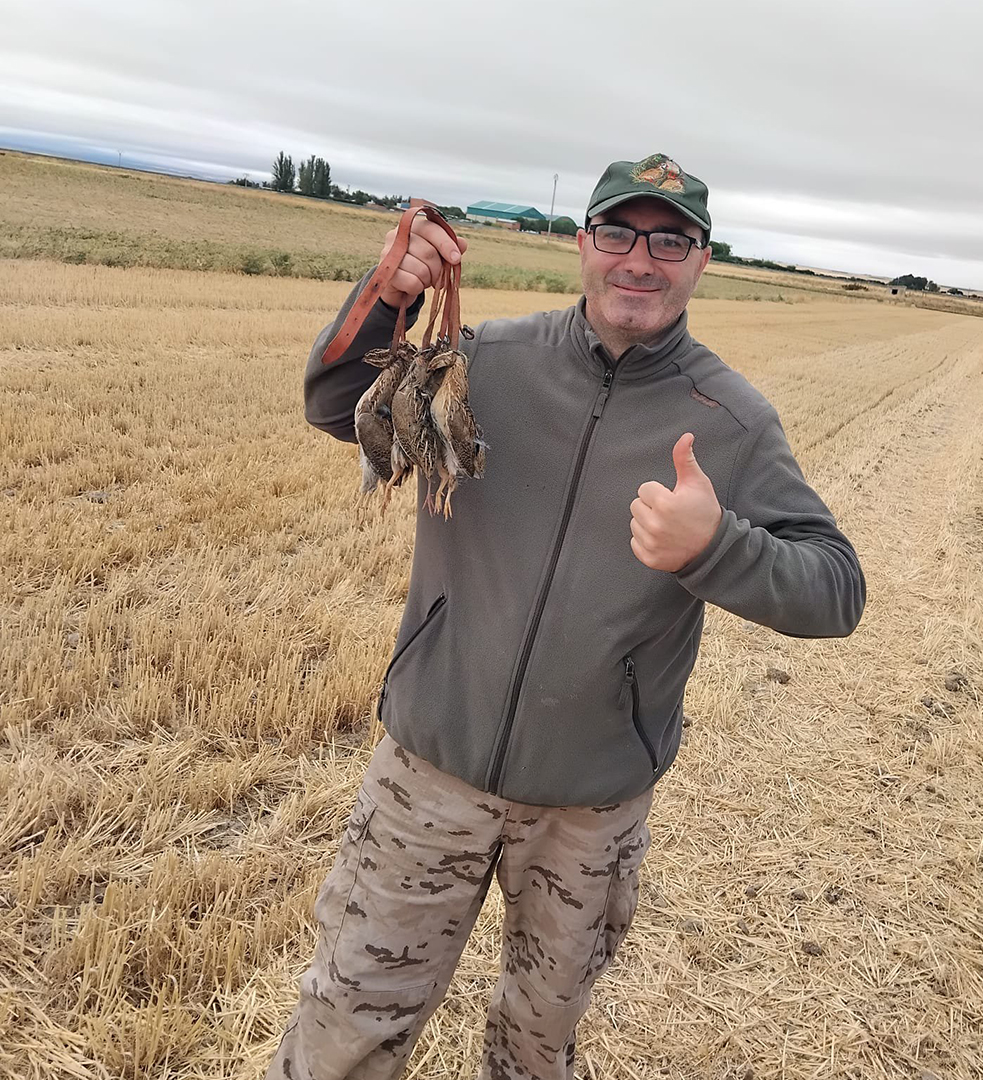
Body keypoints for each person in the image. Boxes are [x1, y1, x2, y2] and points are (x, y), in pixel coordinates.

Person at [266, 153, 866, 1080]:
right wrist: (388, 296)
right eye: (620, 232)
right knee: (344, 1032)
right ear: (583, 245)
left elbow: (837, 591)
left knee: (537, 1050)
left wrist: (717, 548)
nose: (641, 259)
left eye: (672, 240)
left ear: (704, 260)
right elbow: (336, 403)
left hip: (589, 814)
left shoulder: (733, 420)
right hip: (429, 779)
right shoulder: (487, 361)